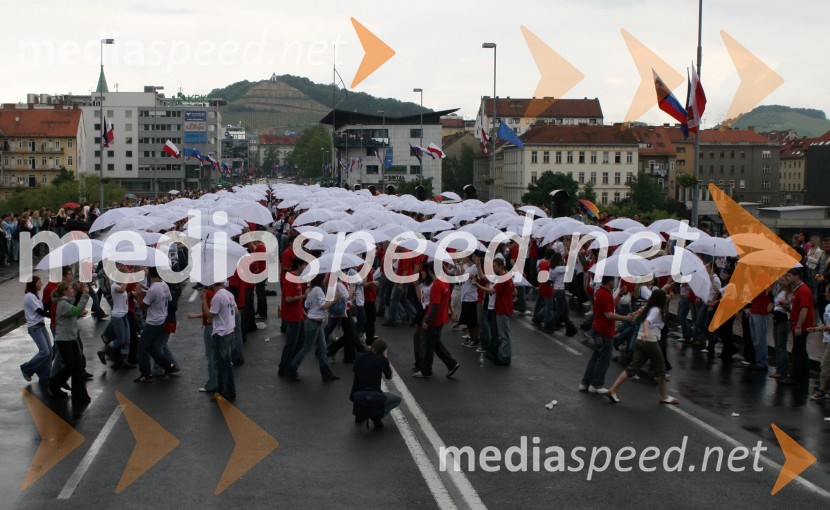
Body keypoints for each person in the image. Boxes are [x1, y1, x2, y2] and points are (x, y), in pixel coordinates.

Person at [606, 289, 678, 405]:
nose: (666, 299)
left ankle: (612, 390)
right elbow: (647, 322)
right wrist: (645, 332)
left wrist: (668, 289)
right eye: (664, 298)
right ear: (660, 300)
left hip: (641, 340)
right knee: (661, 369)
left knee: (632, 368)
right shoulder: (656, 310)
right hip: (650, 340)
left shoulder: (648, 307)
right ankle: (664, 396)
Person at [580, 275, 634, 394]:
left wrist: (619, 294)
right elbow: (608, 314)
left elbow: (611, 307)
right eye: (614, 281)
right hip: (603, 331)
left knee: (596, 356)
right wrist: (625, 318)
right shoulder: (604, 294)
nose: (615, 283)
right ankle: (597, 384)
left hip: (599, 329)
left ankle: (586, 383)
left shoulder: (602, 292)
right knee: (603, 358)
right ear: (610, 282)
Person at [286, 273, 339, 382]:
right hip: (314, 323)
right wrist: (335, 299)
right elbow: (323, 306)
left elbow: (306, 305)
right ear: (320, 279)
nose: (326, 279)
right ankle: (291, 369)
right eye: (325, 277)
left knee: (322, 349)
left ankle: (327, 375)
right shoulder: (318, 290)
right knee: (306, 348)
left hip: (315, 322)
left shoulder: (311, 290)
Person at [132, 267, 179, 383]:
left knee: (142, 348)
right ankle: (168, 366)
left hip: (153, 322)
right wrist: (147, 289)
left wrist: (138, 294)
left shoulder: (154, 289)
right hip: (162, 320)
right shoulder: (164, 285)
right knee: (152, 347)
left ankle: (146, 375)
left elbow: (143, 306)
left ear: (150, 276)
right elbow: (169, 298)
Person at [414, 263, 460, 377]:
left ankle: (426, 370)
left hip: (435, 319)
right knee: (435, 343)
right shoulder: (445, 283)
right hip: (441, 317)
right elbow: (447, 300)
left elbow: (434, 305)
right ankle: (450, 364)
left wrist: (427, 320)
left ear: (430, 271)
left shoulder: (436, 285)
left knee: (429, 345)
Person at [48, 282, 91, 402]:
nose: (72, 290)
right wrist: (85, 296)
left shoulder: (67, 302)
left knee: (77, 367)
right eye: (70, 288)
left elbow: (75, 310)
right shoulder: (62, 304)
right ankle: (54, 385)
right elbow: (76, 310)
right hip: (64, 340)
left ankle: (80, 394)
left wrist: (80, 293)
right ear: (65, 292)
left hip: (71, 338)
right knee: (70, 366)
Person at [350, 339, 402, 429]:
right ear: (382, 351)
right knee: (397, 397)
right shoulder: (381, 360)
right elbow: (389, 376)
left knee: (362, 392)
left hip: (357, 396)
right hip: (374, 395)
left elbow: (355, 370)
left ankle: (361, 414)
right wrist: (385, 358)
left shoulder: (359, 357)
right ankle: (376, 416)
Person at [475, 258, 515, 366]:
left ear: (501, 266)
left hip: (502, 309)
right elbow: (514, 291)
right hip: (501, 307)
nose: (493, 268)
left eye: (495, 266)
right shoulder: (505, 276)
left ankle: (505, 357)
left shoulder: (503, 277)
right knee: (500, 333)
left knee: (504, 335)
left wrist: (477, 285)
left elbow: (492, 291)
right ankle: (499, 354)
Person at [205, 281, 238, 401]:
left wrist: (203, 299)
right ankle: (230, 391)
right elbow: (236, 312)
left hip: (221, 333)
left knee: (222, 366)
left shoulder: (217, 297)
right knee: (227, 364)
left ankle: (224, 393)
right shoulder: (229, 294)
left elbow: (209, 316)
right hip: (230, 331)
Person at [783, 268, 814, 385]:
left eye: (790, 276)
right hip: (796, 324)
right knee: (799, 350)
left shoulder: (803, 290)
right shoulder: (797, 290)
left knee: (798, 351)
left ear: (797, 276)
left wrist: (799, 326)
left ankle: (796, 377)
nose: (787, 278)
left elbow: (804, 309)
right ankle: (802, 376)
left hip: (801, 326)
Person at [21, 276, 53, 383]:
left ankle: (45, 376)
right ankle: (26, 368)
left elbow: (44, 307)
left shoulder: (36, 296)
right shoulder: (29, 297)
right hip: (34, 327)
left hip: (41, 325)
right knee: (44, 352)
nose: (41, 283)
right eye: (39, 282)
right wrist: (54, 316)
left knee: (50, 352)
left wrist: (52, 299)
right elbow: (40, 311)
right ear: (33, 284)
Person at [278, 259, 307, 377]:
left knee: (300, 341)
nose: (306, 266)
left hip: (298, 314)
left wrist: (302, 311)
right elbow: (288, 298)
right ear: (299, 266)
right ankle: (284, 367)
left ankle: (290, 364)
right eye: (304, 264)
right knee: (291, 343)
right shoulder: (291, 279)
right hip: (292, 316)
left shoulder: (296, 278)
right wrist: (303, 296)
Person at [807, 285, 830, 400]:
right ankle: (826, 389)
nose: (825, 294)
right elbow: (825, 324)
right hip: (826, 339)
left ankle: (821, 390)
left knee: (824, 365)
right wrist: (815, 329)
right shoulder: (827, 307)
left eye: (826, 292)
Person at [770, 277, 792, 379]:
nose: (780, 281)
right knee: (777, 346)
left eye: (783, 280)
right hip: (776, 318)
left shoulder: (789, 293)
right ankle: (779, 369)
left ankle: (783, 370)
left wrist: (784, 304)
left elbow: (790, 308)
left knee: (781, 347)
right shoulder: (779, 290)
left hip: (783, 319)